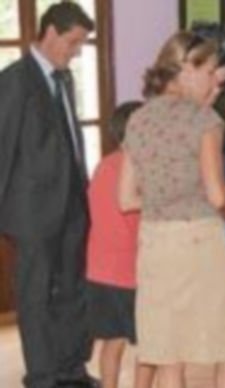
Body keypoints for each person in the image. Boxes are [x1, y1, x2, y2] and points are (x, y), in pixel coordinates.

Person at [118, 31, 225, 388]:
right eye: (210, 71)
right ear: (185, 69)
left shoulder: (138, 119)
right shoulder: (203, 122)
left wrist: (166, 199)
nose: (216, 80)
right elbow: (216, 196)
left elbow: (126, 198)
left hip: (155, 244)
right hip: (200, 242)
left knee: (169, 355)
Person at [0, 3, 97, 387]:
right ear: (51, 32)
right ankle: (41, 376)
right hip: (31, 213)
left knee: (73, 290)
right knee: (36, 296)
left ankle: (71, 369)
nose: (75, 51)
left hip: (73, 204)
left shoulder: (65, 78)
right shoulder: (14, 81)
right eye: (73, 42)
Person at [86, 102, 156, 388]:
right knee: (151, 345)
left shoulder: (103, 165)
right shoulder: (139, 170)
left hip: (99, 273)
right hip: (132, 274)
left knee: (112, 344)